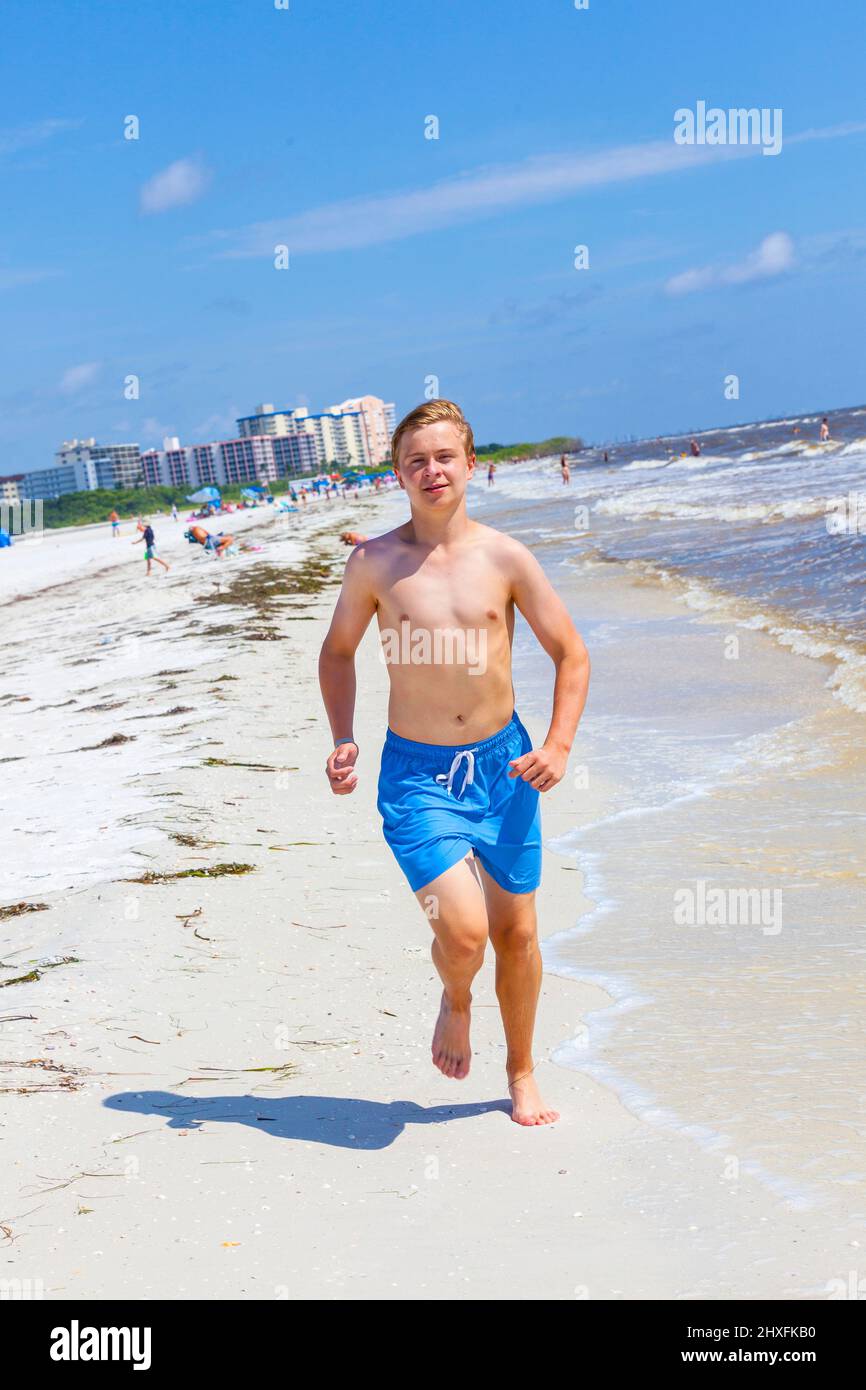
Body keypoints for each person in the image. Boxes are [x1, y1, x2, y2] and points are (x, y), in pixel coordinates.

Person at [318, 399, 590, 1127]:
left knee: (519, 935)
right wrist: (342, 734)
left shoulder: (504, 558)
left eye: (445, 457)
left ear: (472, 465)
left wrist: (557, 745)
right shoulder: (374, 563)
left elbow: (571, 652)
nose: (431, 470)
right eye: (416, 460)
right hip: (417, 777)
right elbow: (338, 652)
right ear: (398, 474)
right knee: (465, 934)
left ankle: (523, 1071)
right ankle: (458, 996)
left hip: (506, 769)